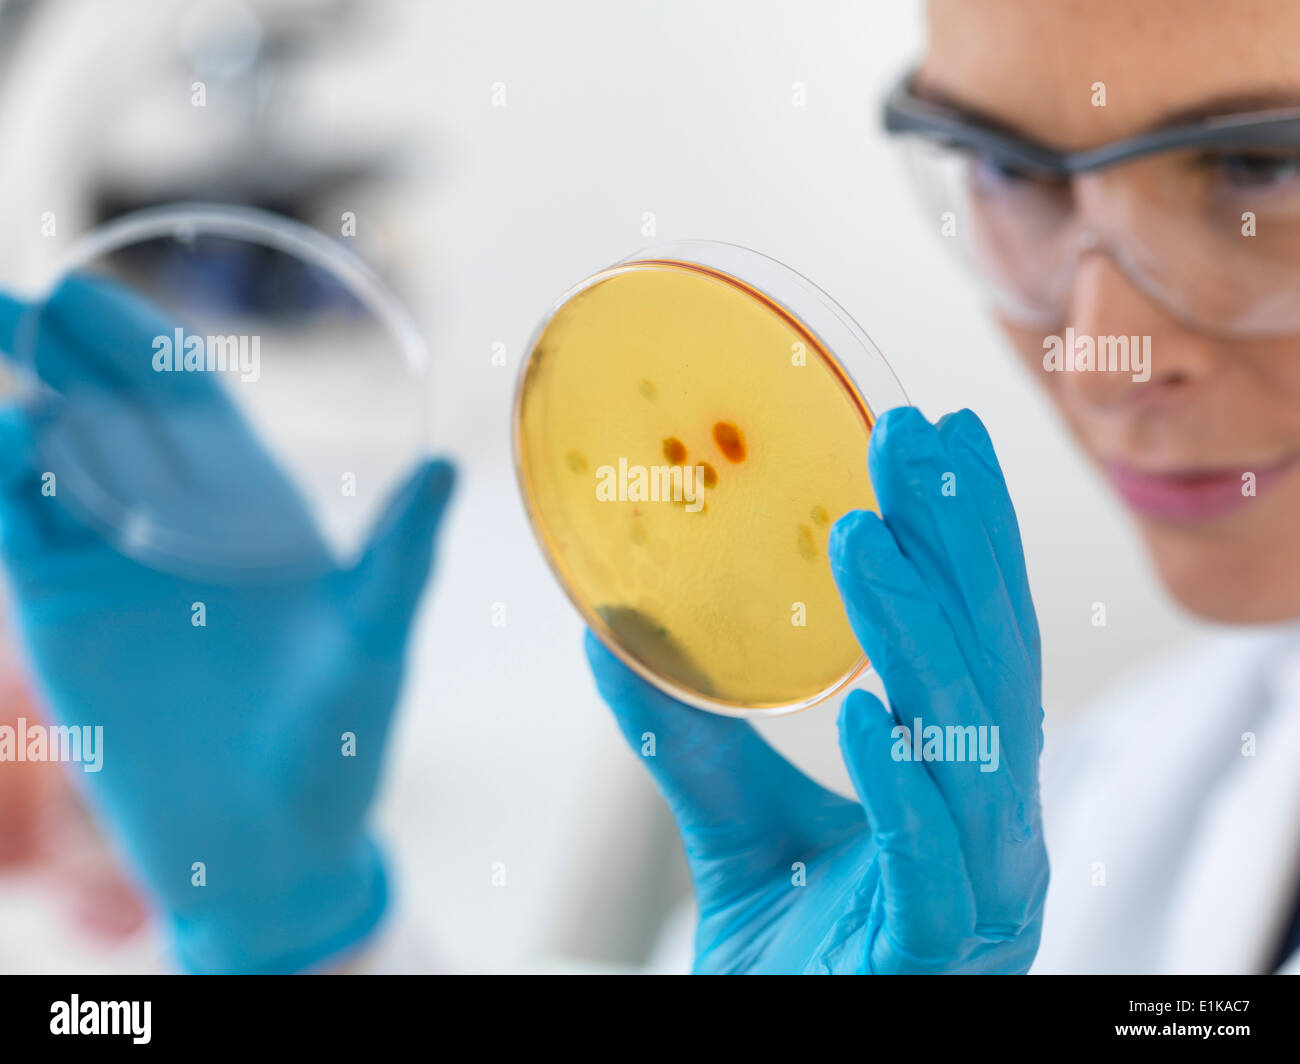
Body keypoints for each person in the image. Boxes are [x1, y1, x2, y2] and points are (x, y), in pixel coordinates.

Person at [3, 0, 1300, 975]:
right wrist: (301, 934)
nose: (1105, 356)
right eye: (1011, 169)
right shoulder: (1127, 805)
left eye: (1261, 169)